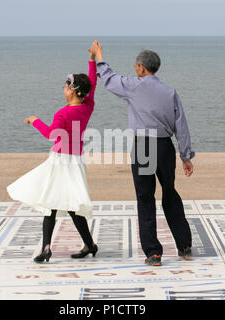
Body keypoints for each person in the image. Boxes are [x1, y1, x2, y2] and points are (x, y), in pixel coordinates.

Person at [89, 41, 195, 266]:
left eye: (136, 66)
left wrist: (99, 55)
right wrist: (185, 156)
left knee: (145, 198)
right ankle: (184, 245)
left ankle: (154, 253)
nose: (135, 68)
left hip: (144, 147)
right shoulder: (170, 92)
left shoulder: (133, 86)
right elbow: (181, 126)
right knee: (170, 193)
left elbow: (109, 78)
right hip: (165, 147)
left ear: (141, 68)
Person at [6, 47, 98, 263]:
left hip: (59, 161)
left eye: (66, 85)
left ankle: (50, 247)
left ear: (74, 90)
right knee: (69, 204)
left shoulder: (63, 113)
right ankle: (86, 245)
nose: (63, 88)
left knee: (52, 203)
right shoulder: (87, 107)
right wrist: (92, 60)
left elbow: (50, 134)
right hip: (75, 161)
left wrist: (34, 120)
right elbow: (92, 84)